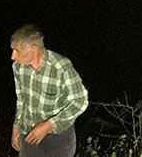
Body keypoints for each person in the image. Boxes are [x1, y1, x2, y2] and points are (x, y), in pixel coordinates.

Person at [9, 24, 88, 156]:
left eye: (17, 51)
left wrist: (49, 125)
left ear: (33, 49)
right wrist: (17, 127)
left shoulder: (61, 67)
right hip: (28, 133)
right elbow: (21, 100)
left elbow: (80, 101)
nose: (13, 56)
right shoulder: (18, 67)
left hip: (58, 138)